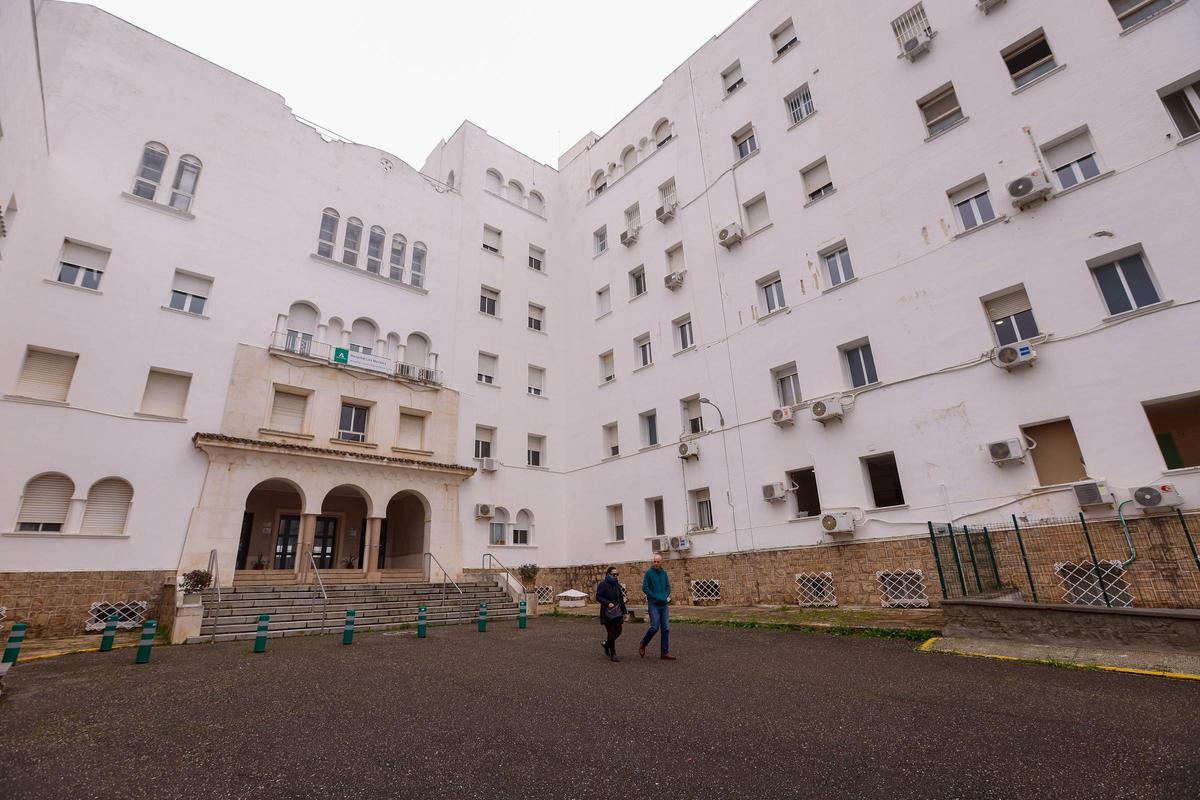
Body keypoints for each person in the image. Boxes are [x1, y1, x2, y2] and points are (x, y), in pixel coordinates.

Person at [639, 554, 676, 660]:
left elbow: (668, 586)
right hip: (653, 604)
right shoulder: (649, 573)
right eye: (654, 561)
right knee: (654, 627)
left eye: (658, 562)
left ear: (661, 562)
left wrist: (665, 595)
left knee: (666, 629)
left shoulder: (664, 574)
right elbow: (645, 588)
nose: (655, 563)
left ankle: (664, 652)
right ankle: (643, 643)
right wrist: (654, 596)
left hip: (664, 604)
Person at [595, 566, 626, 662]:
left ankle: (606, 644)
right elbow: (598, 597)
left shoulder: (617, 584)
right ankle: (613, 654)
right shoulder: (603, 584)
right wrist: (607, 603)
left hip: (617, 611)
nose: (616, 576)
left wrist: (624, 611)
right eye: (614, 574)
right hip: (607, 612)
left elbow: (620, 598)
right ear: (608, 574)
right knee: (611, 632)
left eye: (617, 574)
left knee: (619, 630)